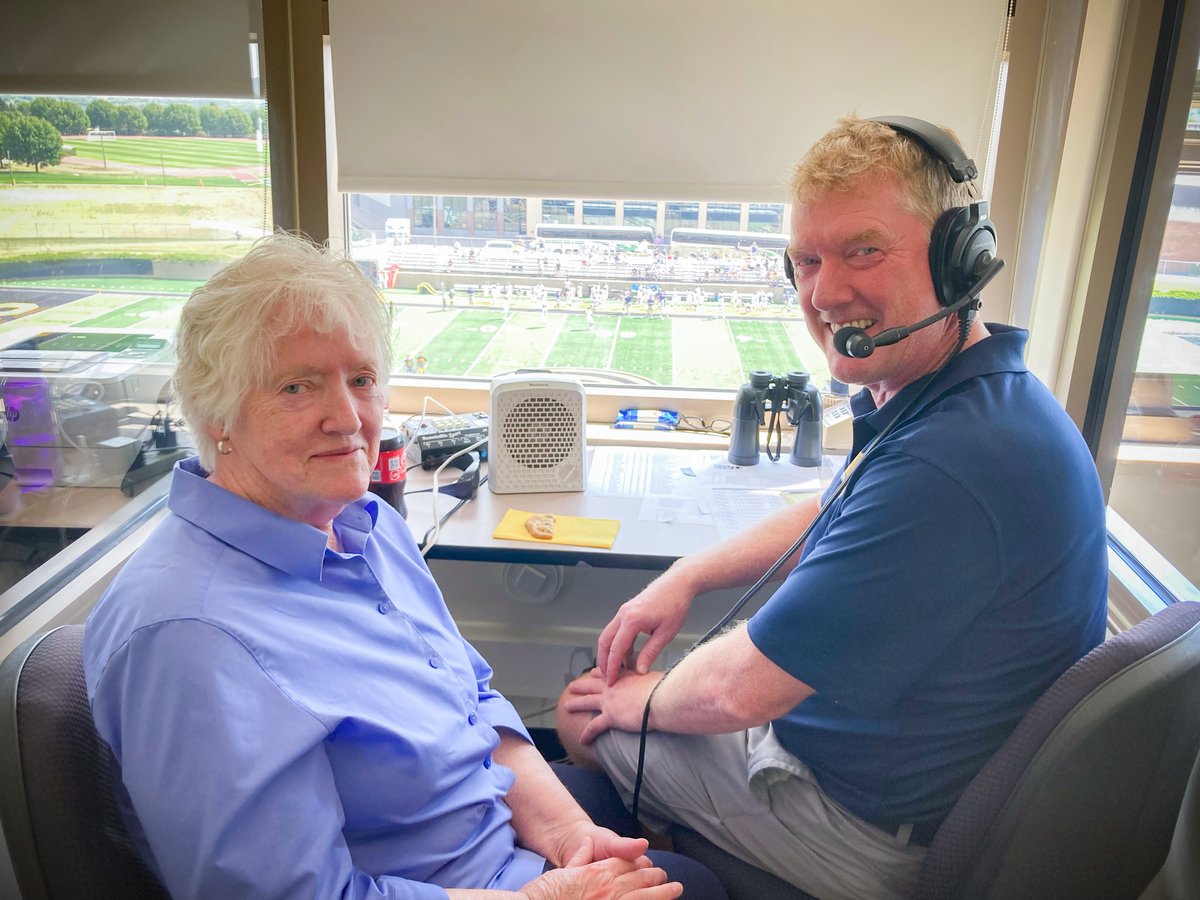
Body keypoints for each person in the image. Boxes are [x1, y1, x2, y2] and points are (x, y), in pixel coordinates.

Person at [557, 115, 1109, 900]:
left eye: (864, 251)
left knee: (583, 714)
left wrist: (633, 701)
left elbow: (737, 693)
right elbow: (834, 506)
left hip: (865, 830)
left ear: (960, 260)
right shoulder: (971, 398)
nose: (823, 292)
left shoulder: (950, 463)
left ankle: (699, 861)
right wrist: (685, 575)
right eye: (807, 261)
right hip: (870, 766)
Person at [83, 233, 720, 900]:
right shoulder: (190, 637)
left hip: (498, 845)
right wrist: (542, 897)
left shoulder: (365, 524)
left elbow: (470, 700)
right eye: (297, 387)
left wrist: (568, 836)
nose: (348, 418)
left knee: (690, 876)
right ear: (218, 414)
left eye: (360, 380)